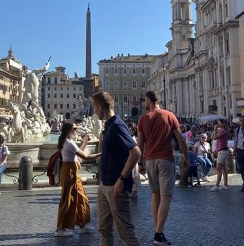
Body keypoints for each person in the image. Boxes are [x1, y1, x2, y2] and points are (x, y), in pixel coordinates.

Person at [137, 90, 188, 246]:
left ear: (150, 101)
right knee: (166, 197)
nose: (144, 103)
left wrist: (140, 163)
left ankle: (158, 231)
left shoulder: (143, 118)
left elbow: (140, 144)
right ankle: (159, 234)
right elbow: (180, 139)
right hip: (166, 159)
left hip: (150, 160)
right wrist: (186, 157)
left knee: (155, 195)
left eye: (145, 100)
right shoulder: (169, 115)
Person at [93, 91, 141, 246]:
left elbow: (135, 152)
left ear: (100, 107)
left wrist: (121, 179)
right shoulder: (108, 126)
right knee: (104, 229)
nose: (94, 111)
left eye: (94, 107)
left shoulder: (117, 125)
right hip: (104, 185)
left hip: (115, 186)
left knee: (126, 233)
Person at [55, 122, 101, 237]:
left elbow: (77, 155)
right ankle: (60, 229)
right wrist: (101, 154)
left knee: (81, 197)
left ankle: (83, 224)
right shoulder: (69, 143)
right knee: (67, 199)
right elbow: (84, 156)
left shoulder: (67, 142)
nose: (77, 130)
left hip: (72, 172)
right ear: (69, 130)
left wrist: (85, 142)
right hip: (69, 172)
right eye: (75, 128)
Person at [210, 119, 230, 192]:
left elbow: (215, 138)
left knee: (218, 169)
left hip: (222, 151)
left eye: (219, 123)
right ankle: (225, 184)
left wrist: (215, 130)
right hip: (223, 150)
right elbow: (212, 137)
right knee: (224, 168)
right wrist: (215, 130)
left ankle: (217, 185)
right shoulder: (222, 130)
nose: (218, 125)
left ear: (223, 124)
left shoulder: (223, 131)